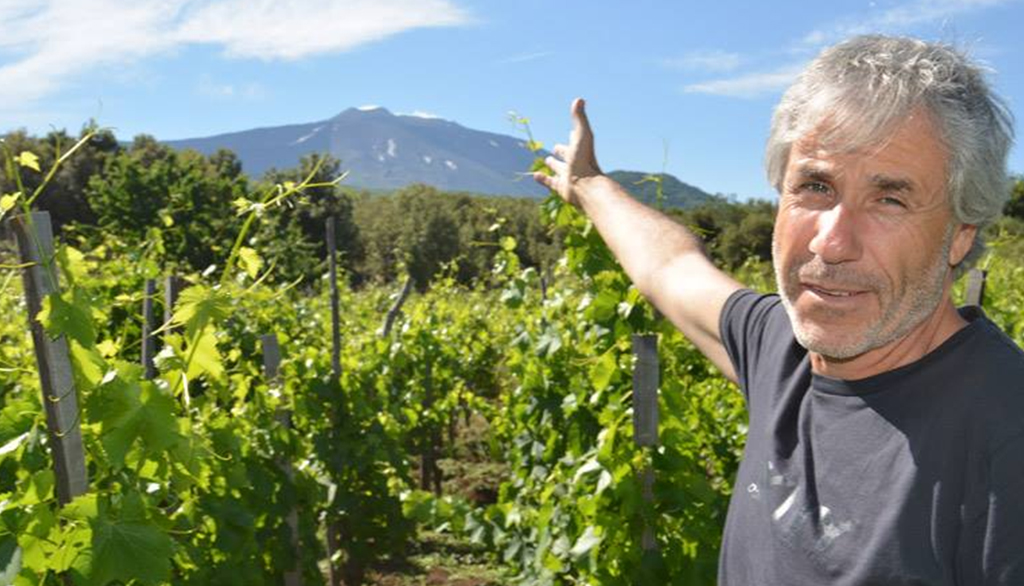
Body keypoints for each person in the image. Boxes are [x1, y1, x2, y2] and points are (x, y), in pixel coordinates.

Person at [535, 35, 1022, 585]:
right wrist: (588, 184)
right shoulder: (781, 349)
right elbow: (670, 268)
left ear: (959, 237)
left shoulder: (1006, 432)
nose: (831, 243)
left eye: (890, 199)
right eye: (815, 186)